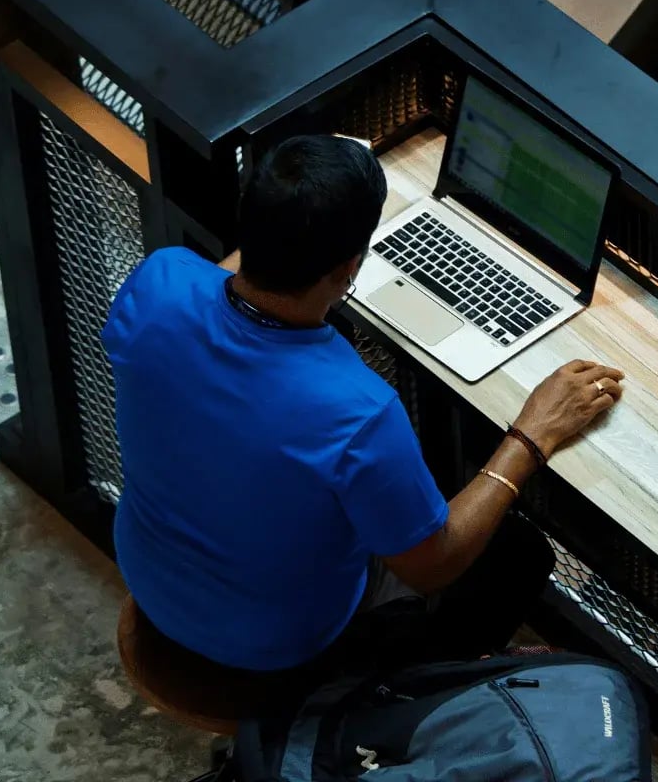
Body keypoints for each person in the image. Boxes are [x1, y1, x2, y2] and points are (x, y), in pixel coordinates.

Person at [102, 134, 624, 700]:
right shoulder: (357, 413)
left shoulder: (157, 284)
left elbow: (230, 280)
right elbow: (435, 564)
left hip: (154, 580)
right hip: (279, 650)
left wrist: (303, 195)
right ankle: (402, 707)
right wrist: (532, 433)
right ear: (349, 268)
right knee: (517, 552)